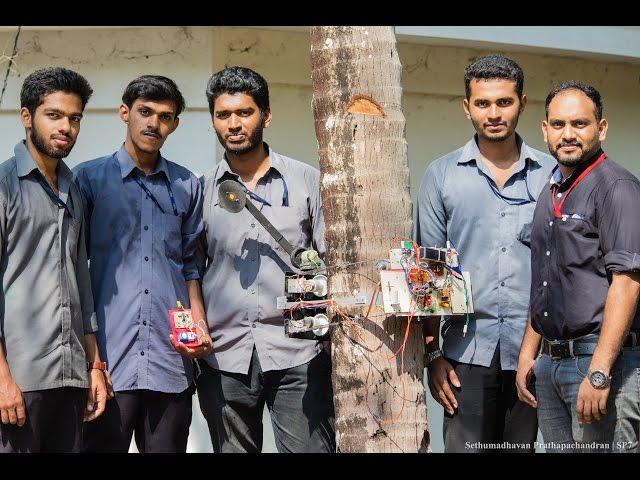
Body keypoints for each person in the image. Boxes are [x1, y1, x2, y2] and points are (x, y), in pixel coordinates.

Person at [417, 54, 555, 452]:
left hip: (535, 354)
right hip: (465, 355)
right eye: (482, 103)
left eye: (504, 102)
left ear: (522, 104)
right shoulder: (441, 176)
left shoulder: (552, 176)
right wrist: (433, 356)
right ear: (467, 107)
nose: (493, 113)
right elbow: (429, 274)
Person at [196, 66, 335, 453]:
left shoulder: (307, 181)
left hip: (299, 353)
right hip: (224, 356)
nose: (234, 124)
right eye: (223, 115)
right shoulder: (200, 189)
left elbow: (330, 262)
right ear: (213, 122)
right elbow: (191, 269)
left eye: (244, 112)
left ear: (266, 116)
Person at [73, 75, 210, 453]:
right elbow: (73, 272)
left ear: (175, 124)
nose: (154, 124)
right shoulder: (88, 179)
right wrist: (92, 360)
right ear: (124, 112)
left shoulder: (187, 185)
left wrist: (199, 327)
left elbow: (190, 266)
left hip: (171, 360)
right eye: (145, 112)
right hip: (108, 362)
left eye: (165, 117)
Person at [516, 81, 640, 453]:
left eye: (580, 124)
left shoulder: (617, 188)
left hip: (601, 364)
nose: (567, 134)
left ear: (601, 128)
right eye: (558, 124)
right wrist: (528, 356)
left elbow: (628, 283)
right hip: (551, 364)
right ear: (544, 129)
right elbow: (544, 279)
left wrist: (599, 373)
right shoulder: (550, 190)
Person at [0, 67, 107, 452]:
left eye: (74, 118)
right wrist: (2, 381)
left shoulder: (74, 191)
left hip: (72, 377)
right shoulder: (4, 187)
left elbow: (83, 286)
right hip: (20, 381)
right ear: (27, 117)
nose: (66, 127)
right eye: (54, 115)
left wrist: (94, 367)